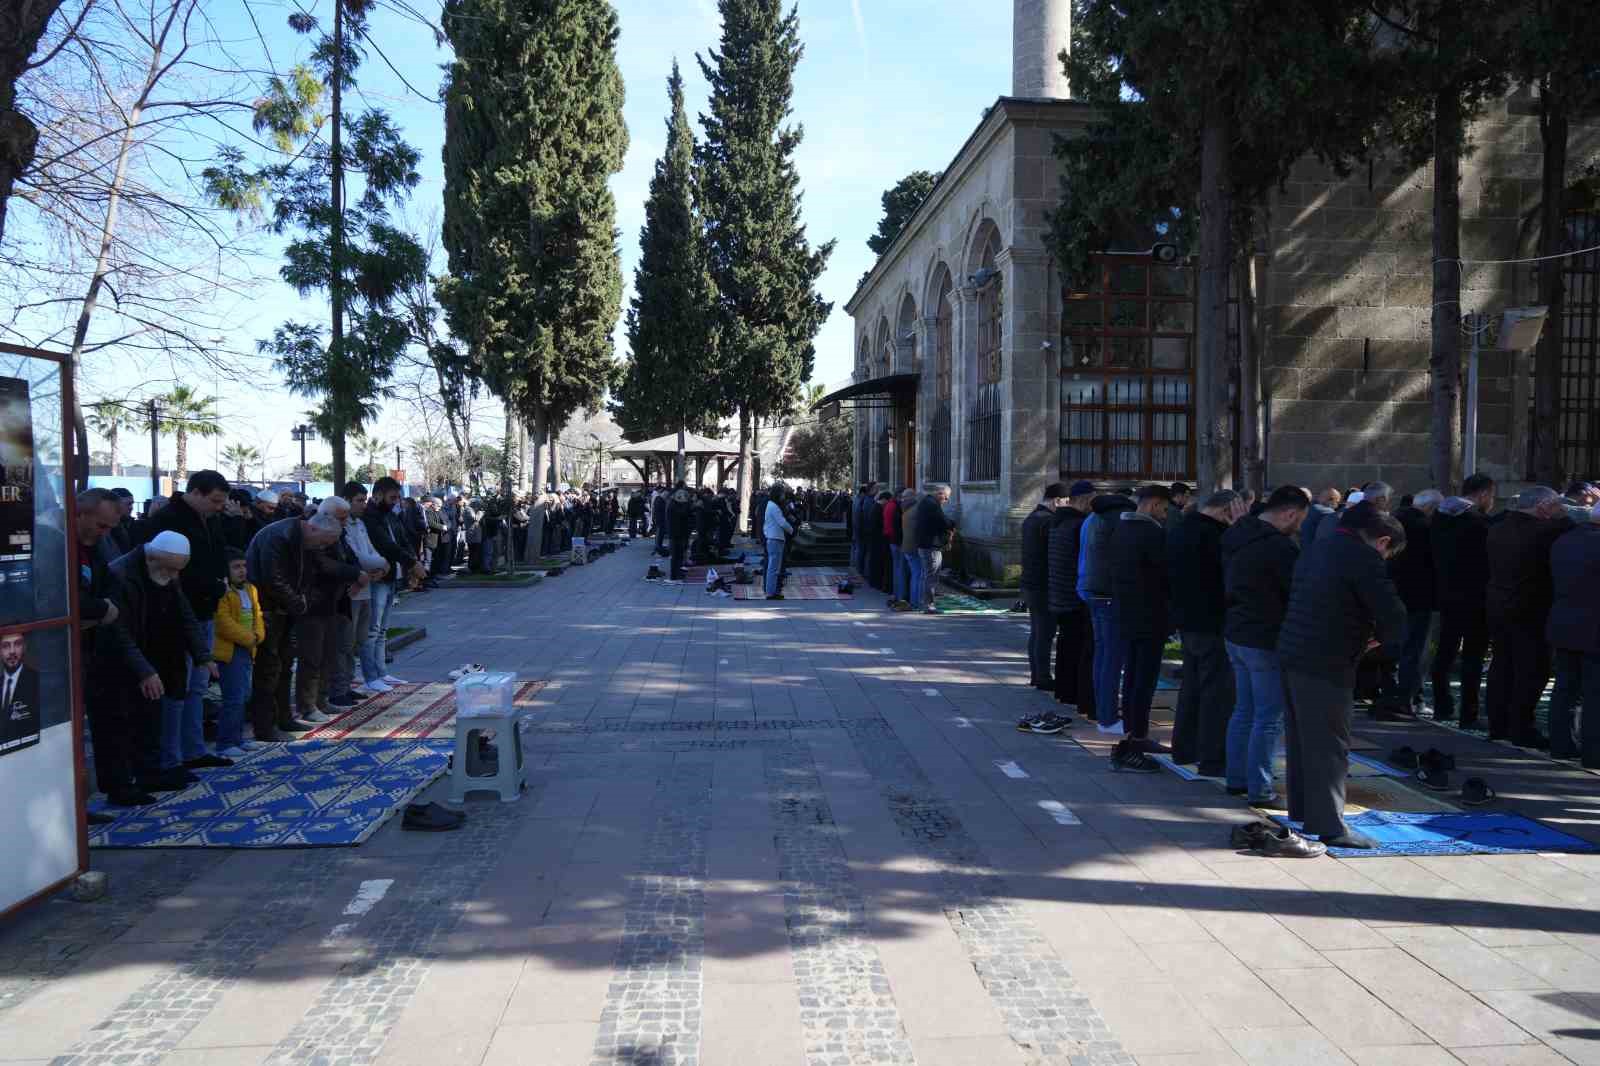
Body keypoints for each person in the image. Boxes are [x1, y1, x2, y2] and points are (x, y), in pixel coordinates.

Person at [1276, 503, 1407, 849]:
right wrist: (1384, 637)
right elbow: (1392, 612)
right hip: (1327, 659)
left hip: (1293, 650)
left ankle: (1304, 811)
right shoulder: (1363, 558)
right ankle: (1331, 825)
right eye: (1389, 552)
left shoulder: (1317, 547)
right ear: (1382, 541)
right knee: (1330, 745)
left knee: (1303, 739)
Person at [99, 531, 215, 797]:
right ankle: (124, 784)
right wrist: (145, 671)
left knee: (152, 719)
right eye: (170, 570)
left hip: (159, 653)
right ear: (151, 559)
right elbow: (120, 632)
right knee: (125, 723)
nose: (173, 577)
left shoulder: (165, 572)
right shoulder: (121, 574)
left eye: (177, 571)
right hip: (123, 659)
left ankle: (151, 773)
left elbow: (184, 613)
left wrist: (203, 655)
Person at [134, 470, 231, 776]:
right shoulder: (169, 520)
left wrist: (221, 583)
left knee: (198, 686)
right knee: (178, 686)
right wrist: (212, 585)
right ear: (196, 493)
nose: (219, 507)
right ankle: (170, 758)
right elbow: (172, 572)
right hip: (175, 613)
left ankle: (194, 750)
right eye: (214, 500)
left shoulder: (211, 518)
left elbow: (217, 555)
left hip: (204, 610)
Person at [1221, 486, 1309, 803]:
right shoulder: (1280, 548)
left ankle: (1236, 778)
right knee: (1268, 716)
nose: (1299, 526)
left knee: (1244, 710)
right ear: (1288, 513)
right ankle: (1260, 788)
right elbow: (1295, 595)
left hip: (1236, 632)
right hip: (1264, 638)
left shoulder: (1237, 536)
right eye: (1299, 519)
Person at [1484, 486, 1572, 747]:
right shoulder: (1546, 531)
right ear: (1543, 506)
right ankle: (1521, 727)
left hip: (1498, 604)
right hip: (1530, 608)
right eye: (1555, 506)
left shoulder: (1497, 529)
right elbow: (1567, 526)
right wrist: (1567, 514)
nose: (1558, 511)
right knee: (1531, 670)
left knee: (1502, 665)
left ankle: (1498, 724)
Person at [247, 507, 344, 742]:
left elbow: (306, 577)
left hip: (285, 608)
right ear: (312, 528)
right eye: (323, 542)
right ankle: (265, 725)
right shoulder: (279, 536)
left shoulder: (305, 539)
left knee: (285, 664)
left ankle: (283, 717)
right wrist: (299, 604)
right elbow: (273, 579)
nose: (322, 548)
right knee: (268, 668)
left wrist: (302, 601)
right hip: (268, 608)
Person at [1168, 489, 1242, 773]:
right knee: (1216, 691)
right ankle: (1212, 757)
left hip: (1188, 620)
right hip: (1212, 621)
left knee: (1192, 685)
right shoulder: (1217, 536)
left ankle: (1184, 748)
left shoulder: (1181, 528)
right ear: (1227, 511)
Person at [1108, 484, 1171, 755]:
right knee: (1144, 678)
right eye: (1165, 509)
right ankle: (1139, 735)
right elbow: (1164, 576)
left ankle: (1131, 729)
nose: (1166, 515)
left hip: (1126, 612)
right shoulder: (1150, 533)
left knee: (1132, 674)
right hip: (1149, 615)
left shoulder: (1121, 528)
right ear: (1154, 504)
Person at [1431, 475, 1495, 725]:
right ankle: (1469, 713)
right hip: (1475, 597)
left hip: (1448, 594)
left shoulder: (1439, 518)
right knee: (1472, 657)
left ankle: (1442, 705)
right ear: (1483, 494)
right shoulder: (1479, 524)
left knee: (1445, 652)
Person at [296, 497, 364, 723]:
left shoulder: (337, 533)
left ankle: (322, 700)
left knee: (329, 654)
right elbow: (323, 565)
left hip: (333, 601)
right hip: (314, 602)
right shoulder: (313, 535)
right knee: (313, 658)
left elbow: (349, 560)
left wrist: (356, 573)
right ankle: (308, 704)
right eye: (342, 518)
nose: (345, 522)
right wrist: (354, 574)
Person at [1377, 488, 1441, 718]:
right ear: (1431, 509)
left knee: (1395, 647)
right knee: (1414, 650)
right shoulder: (1426, 529)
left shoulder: (1393, 522)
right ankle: (1406, 697)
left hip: (1393, 593)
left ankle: (1390, 693)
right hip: (1419, 597)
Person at [1546, 502, 1600, 766]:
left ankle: (1560, 745)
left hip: (1564, 623)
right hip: (1594, 628)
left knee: (1565, 688)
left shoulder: (1564, 541)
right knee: (1594, 694)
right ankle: (1593, 753)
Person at [1077, 487, 1135, 732]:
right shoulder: (1116, 519)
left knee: (1103, 654)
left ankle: (1103, 711)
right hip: (1107, 594)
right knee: (1112, 657)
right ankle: (1108, 717)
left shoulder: (1093, 518)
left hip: (1090, 589)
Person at [364, 477, 426, 685]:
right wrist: (411, 563)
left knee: (382, 630)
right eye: (392, 497)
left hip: (392, 576)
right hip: (377, 576)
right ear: (378, 494)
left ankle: (382, 672)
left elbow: (403, 540)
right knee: (372, 630)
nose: (395, 501)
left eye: (398, 498)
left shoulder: (391, 515)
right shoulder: (370, 517)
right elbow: (386, 544)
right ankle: (371, 677)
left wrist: (412, 564)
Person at [341, 482, 393, 697]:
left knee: (362, 637)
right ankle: (349, 683)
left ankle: (359, 679)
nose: (364, 504)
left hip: (367, 584)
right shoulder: (342, 524)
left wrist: (381, 564)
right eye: (359, 500)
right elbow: (356, 556)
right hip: (354, 586)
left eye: (364, 500)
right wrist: (382, 563)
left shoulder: (359, 523)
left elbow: (369, 550)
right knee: (347, 640)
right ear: (346, 501)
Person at [1047, 481, 1095, 713]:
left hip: (1058, 592)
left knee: (1066, 644)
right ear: (1085, 499)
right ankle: (1072, 692)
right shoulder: (1077, 524)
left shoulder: (1058, 522)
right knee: (1076, 646)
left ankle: (1064, 691)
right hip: (1072, 594)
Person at [211, 548, 264, 757]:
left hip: (248, 648)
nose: (242, 571)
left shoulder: (251, 589)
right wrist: (248, 638)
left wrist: (258, 634)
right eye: (236, 567)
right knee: (233, 697)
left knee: (244, 695)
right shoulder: (224, 592)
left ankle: (238, 737)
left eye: (244, 566)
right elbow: (222, 622)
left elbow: (257, 613)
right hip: (231, 650)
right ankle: (225, 741)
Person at [1020, 483, 1067, 690]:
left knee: (1037, 631)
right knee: (1045, 633)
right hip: (1043, 584)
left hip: (1031, 583)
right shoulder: (1047, 521)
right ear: (1056, 501)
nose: (1066, 507)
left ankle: (1036, 674)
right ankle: (1043, 677)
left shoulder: (1032, 518)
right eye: (1065, 502)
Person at [911, 483, 953, 614]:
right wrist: (952, 524)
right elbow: (942, 522)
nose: (946, 501)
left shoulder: (927, 502)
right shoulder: (932, 505)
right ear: (940, 494)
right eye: (946, 498)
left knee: (927, 574)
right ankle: (928, 605)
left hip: (925, 544)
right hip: (930, 545)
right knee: (931, 576)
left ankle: (922, 602)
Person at [0, 632, 41, 754]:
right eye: (6, 646)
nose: (12, 651)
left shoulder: (37, 680)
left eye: (17, 644)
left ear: (24, 648)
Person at [764, 482, 795, 600]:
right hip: (775, 539)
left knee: (773, 567)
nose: (784, 496)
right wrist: (792, 530)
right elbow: (782, 522)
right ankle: (771, 592)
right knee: (774, 568)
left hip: (774, 538)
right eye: (782, 493)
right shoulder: (773, 506)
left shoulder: (771, 505)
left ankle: (771, 591)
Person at [883, 487, 907, 609]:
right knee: (900, 570)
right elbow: (897, 526)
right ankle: (900, 596)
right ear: (899, 496)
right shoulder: (895, 507)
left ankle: (896, 594)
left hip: (892, 540)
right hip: (897, 542)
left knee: (896, 569)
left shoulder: (889, 505)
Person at [666, 482, 694, 583]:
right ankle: (674, 576)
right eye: (684, 496)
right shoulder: (674, 505)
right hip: (676, 534)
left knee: (679, 555)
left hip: (679, 533)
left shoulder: (676, 504)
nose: (685, 498)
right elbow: (683, 514)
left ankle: (678, 573)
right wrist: (687, 503)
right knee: (676, 555)